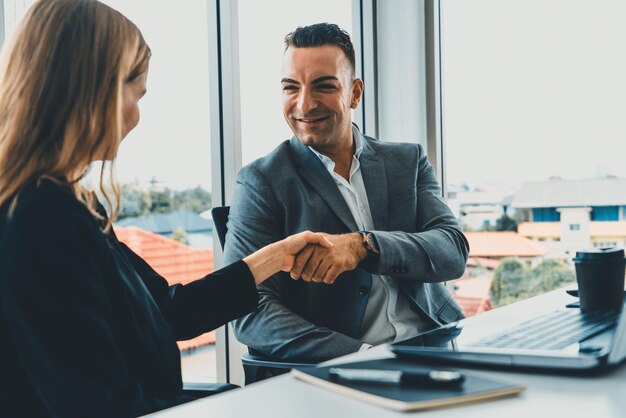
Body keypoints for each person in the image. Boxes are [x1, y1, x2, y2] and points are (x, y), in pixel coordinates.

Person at [0, 1, 332, 417]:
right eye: (135, 95)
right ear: (92, 89)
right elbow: (100, 405)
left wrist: (276, 257)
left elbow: (169, 310)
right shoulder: (41, 219)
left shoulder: (66, 206)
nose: (136, 117)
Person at [224, 23, 469, 363]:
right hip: (348, 365)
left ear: (354, 93)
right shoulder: (261, 181)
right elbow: (250, 312)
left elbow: (452, 251)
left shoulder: (407, 161)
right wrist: (361, 357)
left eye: (323, 86)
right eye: (291, 88)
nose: (304, 105)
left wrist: (364, 246)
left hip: (439, 343)